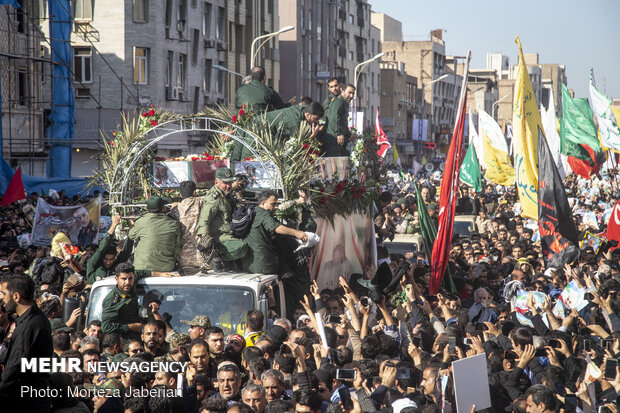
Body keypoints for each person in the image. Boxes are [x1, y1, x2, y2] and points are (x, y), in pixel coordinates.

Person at [0, 273, 53, 412]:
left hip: (27, 404)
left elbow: (14, 367)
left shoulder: (31, 325)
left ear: (16, 296)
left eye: (4, 294)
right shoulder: (27, 320)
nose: (2, 298)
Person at [197, 167, 248, 271]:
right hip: (220, 237)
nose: (228, 186)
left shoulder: (225, 193)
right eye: (225, 183)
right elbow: (204, 219)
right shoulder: (213, 198)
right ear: (216, 182)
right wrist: (205, 238)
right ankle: (217, 255)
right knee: (241, 246)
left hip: (229, 232)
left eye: (230, 183)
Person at [246, 190, 308, 274]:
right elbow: (275, 227)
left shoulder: (255, 212)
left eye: (277, 204)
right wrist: (296, 233)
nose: (276, 207)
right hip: (263, 263)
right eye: (273, 204)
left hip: (252, 262)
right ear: (263, 203)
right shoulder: (263, 214)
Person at [128, 196, 182, 272]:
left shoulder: (141, 222)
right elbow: (178, 246)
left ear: (147, 209)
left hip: (143, 268)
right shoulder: (173, 223)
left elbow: (131, 236)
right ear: (163, 208)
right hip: (166, 268)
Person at [100, 262, 151, 338]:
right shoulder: (112, 300)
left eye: (130, 278)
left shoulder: (131, 285)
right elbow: (106, 327)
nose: (127, 282)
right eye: (123, 279)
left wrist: (159, 274)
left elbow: (140, 272)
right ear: (116, 279)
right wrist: (130, 327)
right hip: (125, 340)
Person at [171, 180, 204, 274]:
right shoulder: (200, 202)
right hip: (203, 258)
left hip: (184, 260)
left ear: (181, 195)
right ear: (194, 192)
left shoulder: (175, 210)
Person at [320, 84, 355, 157]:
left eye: (353, 93)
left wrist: (349, 134)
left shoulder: (343, 103)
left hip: (337, 140)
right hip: (333, 138)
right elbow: (333, 117)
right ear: (342, 91)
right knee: (334, 164)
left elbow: (342, 123)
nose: (351, 96)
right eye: (349, 92)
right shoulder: (339, 102)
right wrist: (338, 133)